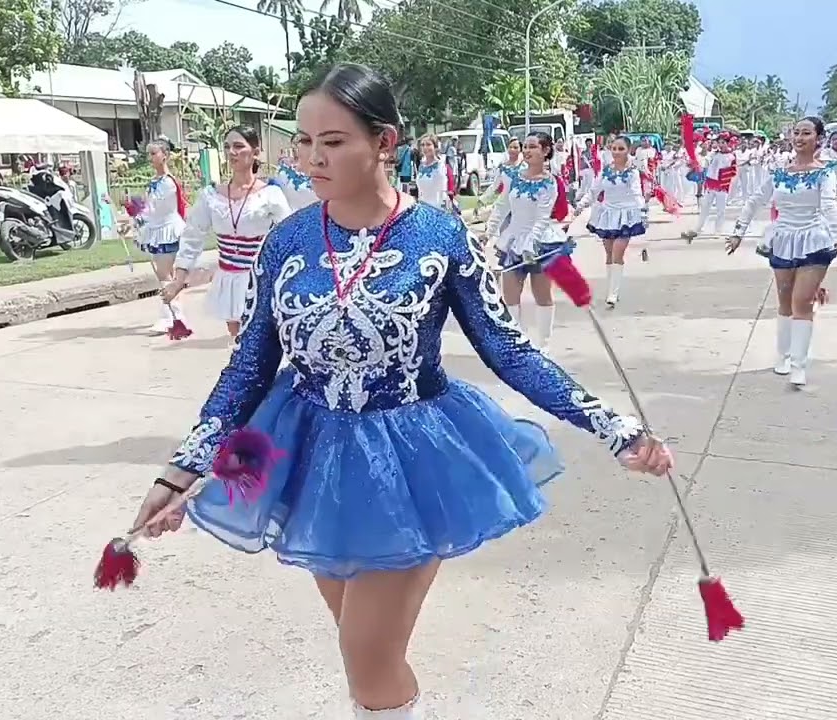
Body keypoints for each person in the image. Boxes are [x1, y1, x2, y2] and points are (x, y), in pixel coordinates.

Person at [128, 63, 672, 720]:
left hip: (410, 464)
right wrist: (185, 467)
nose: (310, 158)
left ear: (383, 142)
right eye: (303, 142)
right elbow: (248, 370)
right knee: (362, 651)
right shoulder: (288, 241)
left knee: (368, 659)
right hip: (310, 460)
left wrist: (614, 426)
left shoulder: (438, 236)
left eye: (332, 141)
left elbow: (509, 352)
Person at [724, 116, 837, 388]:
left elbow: (833, 201)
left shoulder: (827, 170)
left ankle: (799, 364)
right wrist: (738, 232)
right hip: (783, 237)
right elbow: (755, 200)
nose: (799, 138)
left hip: (815, 238)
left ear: (818, 138)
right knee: (784, 299)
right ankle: (782, 356)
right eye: (796, 133)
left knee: (802, 301)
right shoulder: (779, 170)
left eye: (806, 133)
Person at [164, 126, 292, 341]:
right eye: (227, 147)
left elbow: (288, 236)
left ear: (255, 151)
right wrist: (178, 280)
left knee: (260, 340)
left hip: (260, 279)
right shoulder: (211, 196)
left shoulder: (270, 194)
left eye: (239, 146)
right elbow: (193, 236)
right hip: (229, 278)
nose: (232, 152)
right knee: (237, 339)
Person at [484, 131, 573, 354]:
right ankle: (518, 341)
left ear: (545, 151)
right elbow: (502, 206)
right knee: (509, 294)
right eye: (525, 146)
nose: (527, 151)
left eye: (533, 147)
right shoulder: (514, 177)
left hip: (540, 241)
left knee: (541, 294)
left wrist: (530, 245)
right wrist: (489, 233)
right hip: (513, 239)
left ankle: (544, 343)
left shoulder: (550, 183)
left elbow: (543, 217)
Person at [575, 135, 647, 308]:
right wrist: (581, 205)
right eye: (614, 148)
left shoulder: (632, 172)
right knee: (608, 253)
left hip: (626, 215)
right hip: (607, 214)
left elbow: (637, 193)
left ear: (628, 151)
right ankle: (612, 288)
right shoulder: (605, 170)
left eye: (621, 149)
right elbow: (594, 191)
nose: (616, 152)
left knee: (617, 252)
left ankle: (613, 294)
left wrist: (643, 212)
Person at [135, 139, 190, 334]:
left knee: (164, 274)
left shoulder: (167, 183)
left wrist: (136, 216)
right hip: (157, 229)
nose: (150, 158)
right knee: (167, 274)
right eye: (149, 154)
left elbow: (155, 209)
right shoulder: (155, 182)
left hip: (168, 230)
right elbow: (148, 208)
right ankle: (175, 314)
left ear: (164, 155)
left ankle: (170, 316)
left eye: (154, 154)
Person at [682, 133, 737, 240]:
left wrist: (724, 181)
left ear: (727, 143)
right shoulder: (713, 154)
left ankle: (718, 230)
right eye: (719, 142)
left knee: (720, 210)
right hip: (710, 185)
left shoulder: (731, 156)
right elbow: (704, 162)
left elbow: (732, 172)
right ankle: (698, 228)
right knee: (705, 208)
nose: (720, 145)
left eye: (723, 143)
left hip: (722, 186)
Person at [414, 133, 457, 212]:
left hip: (441, 209)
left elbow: (451, 189)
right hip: (423, 209)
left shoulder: (443, 165)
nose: (425, 147)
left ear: (436, 147)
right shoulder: (420, 166)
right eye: (423, 145)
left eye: (428, 144)